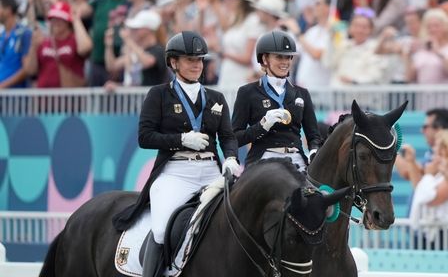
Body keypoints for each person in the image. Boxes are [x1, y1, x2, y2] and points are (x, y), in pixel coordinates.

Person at [112, 31, 239, 277]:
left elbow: (228, 136)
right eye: (190, 59)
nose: (196, 65)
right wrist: (181, 140)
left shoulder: (215, 97)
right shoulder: (159, 95)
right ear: (173, 62)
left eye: (200, 60)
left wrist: (232, 158)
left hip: (211, 172)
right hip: (176, 173)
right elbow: (145, 137)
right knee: (160, 230)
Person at [232, 29, 322, 171]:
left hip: (296, 159)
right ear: (264, 59)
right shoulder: (247, 92)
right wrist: (262, 126)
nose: (285, 62)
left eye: (288, 57)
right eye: (279, 57)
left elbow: (314, 136)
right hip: (263, 159)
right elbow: (235, 137)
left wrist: (314, 150)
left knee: (317, 192)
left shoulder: (302, 93)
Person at [0, 0, 32, 88]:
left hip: (17, 98)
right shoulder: (1, 36)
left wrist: (3, 86)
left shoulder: (24, 34)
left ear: (8, 10)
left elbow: (27, 69)